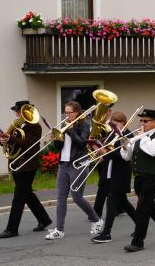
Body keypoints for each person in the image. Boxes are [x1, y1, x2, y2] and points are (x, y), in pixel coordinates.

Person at [119, 109, 155, 252]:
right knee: (149, 206)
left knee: (142, 208)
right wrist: (125, 147)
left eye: (146, 121)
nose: (142, 123)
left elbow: (153, 151)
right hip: (140, 175)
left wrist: (142, 137)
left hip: (154, 175)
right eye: (141, 121)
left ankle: (138, 241)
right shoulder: (140, 136)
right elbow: (126, 156)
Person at [45, 101, 103, 240]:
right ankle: (59, 229)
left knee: (77, 196)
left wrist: (69, 130)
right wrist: (56, 139)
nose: (67, 115)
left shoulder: (85, 125)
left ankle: (96, 220)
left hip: (78, 163)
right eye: (65, 112)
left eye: (69, 112)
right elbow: (60, 147)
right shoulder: (65, 125)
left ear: (77, 112)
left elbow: (82, 143)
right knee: (61, 197)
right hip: (64, 164)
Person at [0, 100, 53, 239]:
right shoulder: (18, 124)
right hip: (16, 162)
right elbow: (9, 139)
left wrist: (11, 137)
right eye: (16, 112)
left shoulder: (35, 126)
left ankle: (12, 229)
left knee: (19, 197)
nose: (16, 114)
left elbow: (28, 144)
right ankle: (44, 219)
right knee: (27, 194)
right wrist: (3, 140)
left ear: (25, 112)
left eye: (18, 111)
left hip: (27, 165)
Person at [91, 111, 137, 243]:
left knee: (111, 202)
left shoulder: (127, 135)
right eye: (112, 124)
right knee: (124, 202)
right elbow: (107, 149)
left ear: (122, 122)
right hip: (109, 171)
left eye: (115, 124)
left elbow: (123, 156)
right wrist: (100, 153)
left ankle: (106, 233)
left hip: (121, 172)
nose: (112, 126)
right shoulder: (112, 133)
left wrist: (105, 152)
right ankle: (140, 224)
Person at [93, 105, 114, 219]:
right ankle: (119, 208)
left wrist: (103, 155)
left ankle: (96, 212)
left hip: (108, 158)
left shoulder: (112, 126)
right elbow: (94, 139)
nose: (101, 115)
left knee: (103, 185)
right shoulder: (99, 125)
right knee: (105, 185)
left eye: (103, 112)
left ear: (109, 112)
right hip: (101, 157)